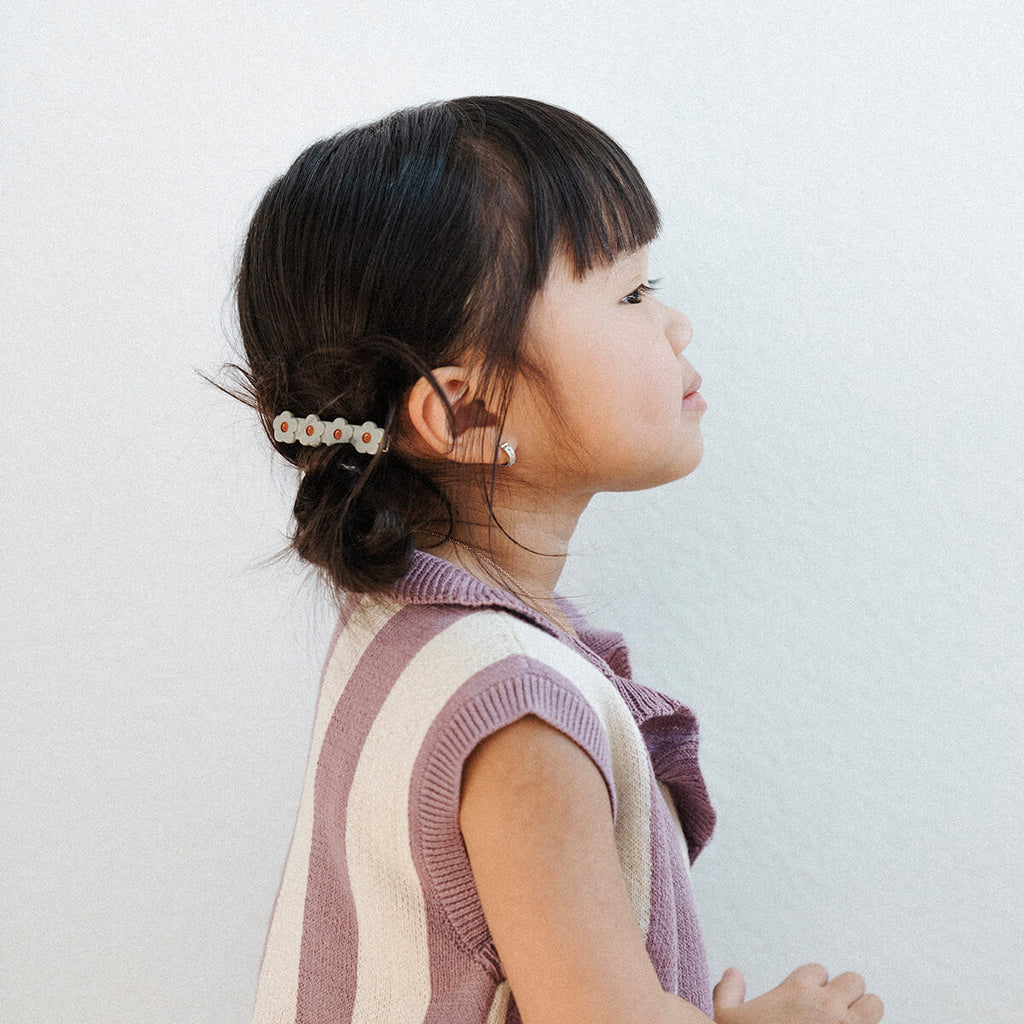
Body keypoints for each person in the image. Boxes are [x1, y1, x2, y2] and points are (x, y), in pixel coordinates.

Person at [232, 96, 883, 1024]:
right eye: (631, 295)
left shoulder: (408, 629)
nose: (676, 324)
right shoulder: (517, 715)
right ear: (465, 412)